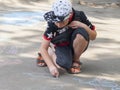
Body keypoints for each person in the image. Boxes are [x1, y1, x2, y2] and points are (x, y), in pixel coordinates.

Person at [37, 0, 97, 77]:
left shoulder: (79, 16)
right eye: (56, 21)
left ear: (70, 15)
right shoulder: (52, 22)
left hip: (74, 43)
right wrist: (51, 67)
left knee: (81, 33)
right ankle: (50, 51)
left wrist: (82, 25)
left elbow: (93, 37)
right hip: (60, 44)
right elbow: (42, 48)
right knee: (62, 65)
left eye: (61, 21)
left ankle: (76, 60)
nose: (58, 25)